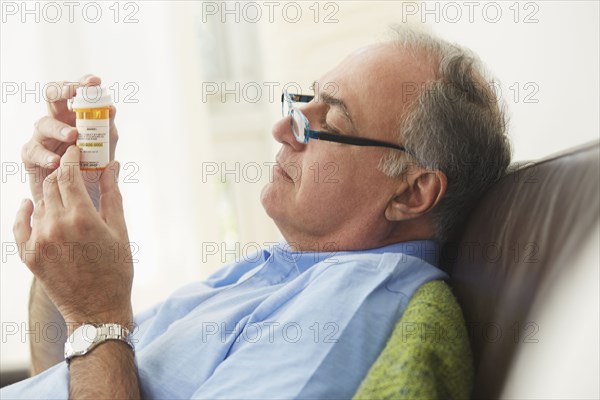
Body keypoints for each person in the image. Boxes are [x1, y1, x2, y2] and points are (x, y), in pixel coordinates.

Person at [3, 26, 511, 399]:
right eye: (303, 104)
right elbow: (63, 367)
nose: (282, 130)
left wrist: (97, 313)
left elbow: (93, 334)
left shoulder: (349, 304)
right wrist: (77, 212)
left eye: (329, 118)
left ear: (411, 193)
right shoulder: (282, 271)